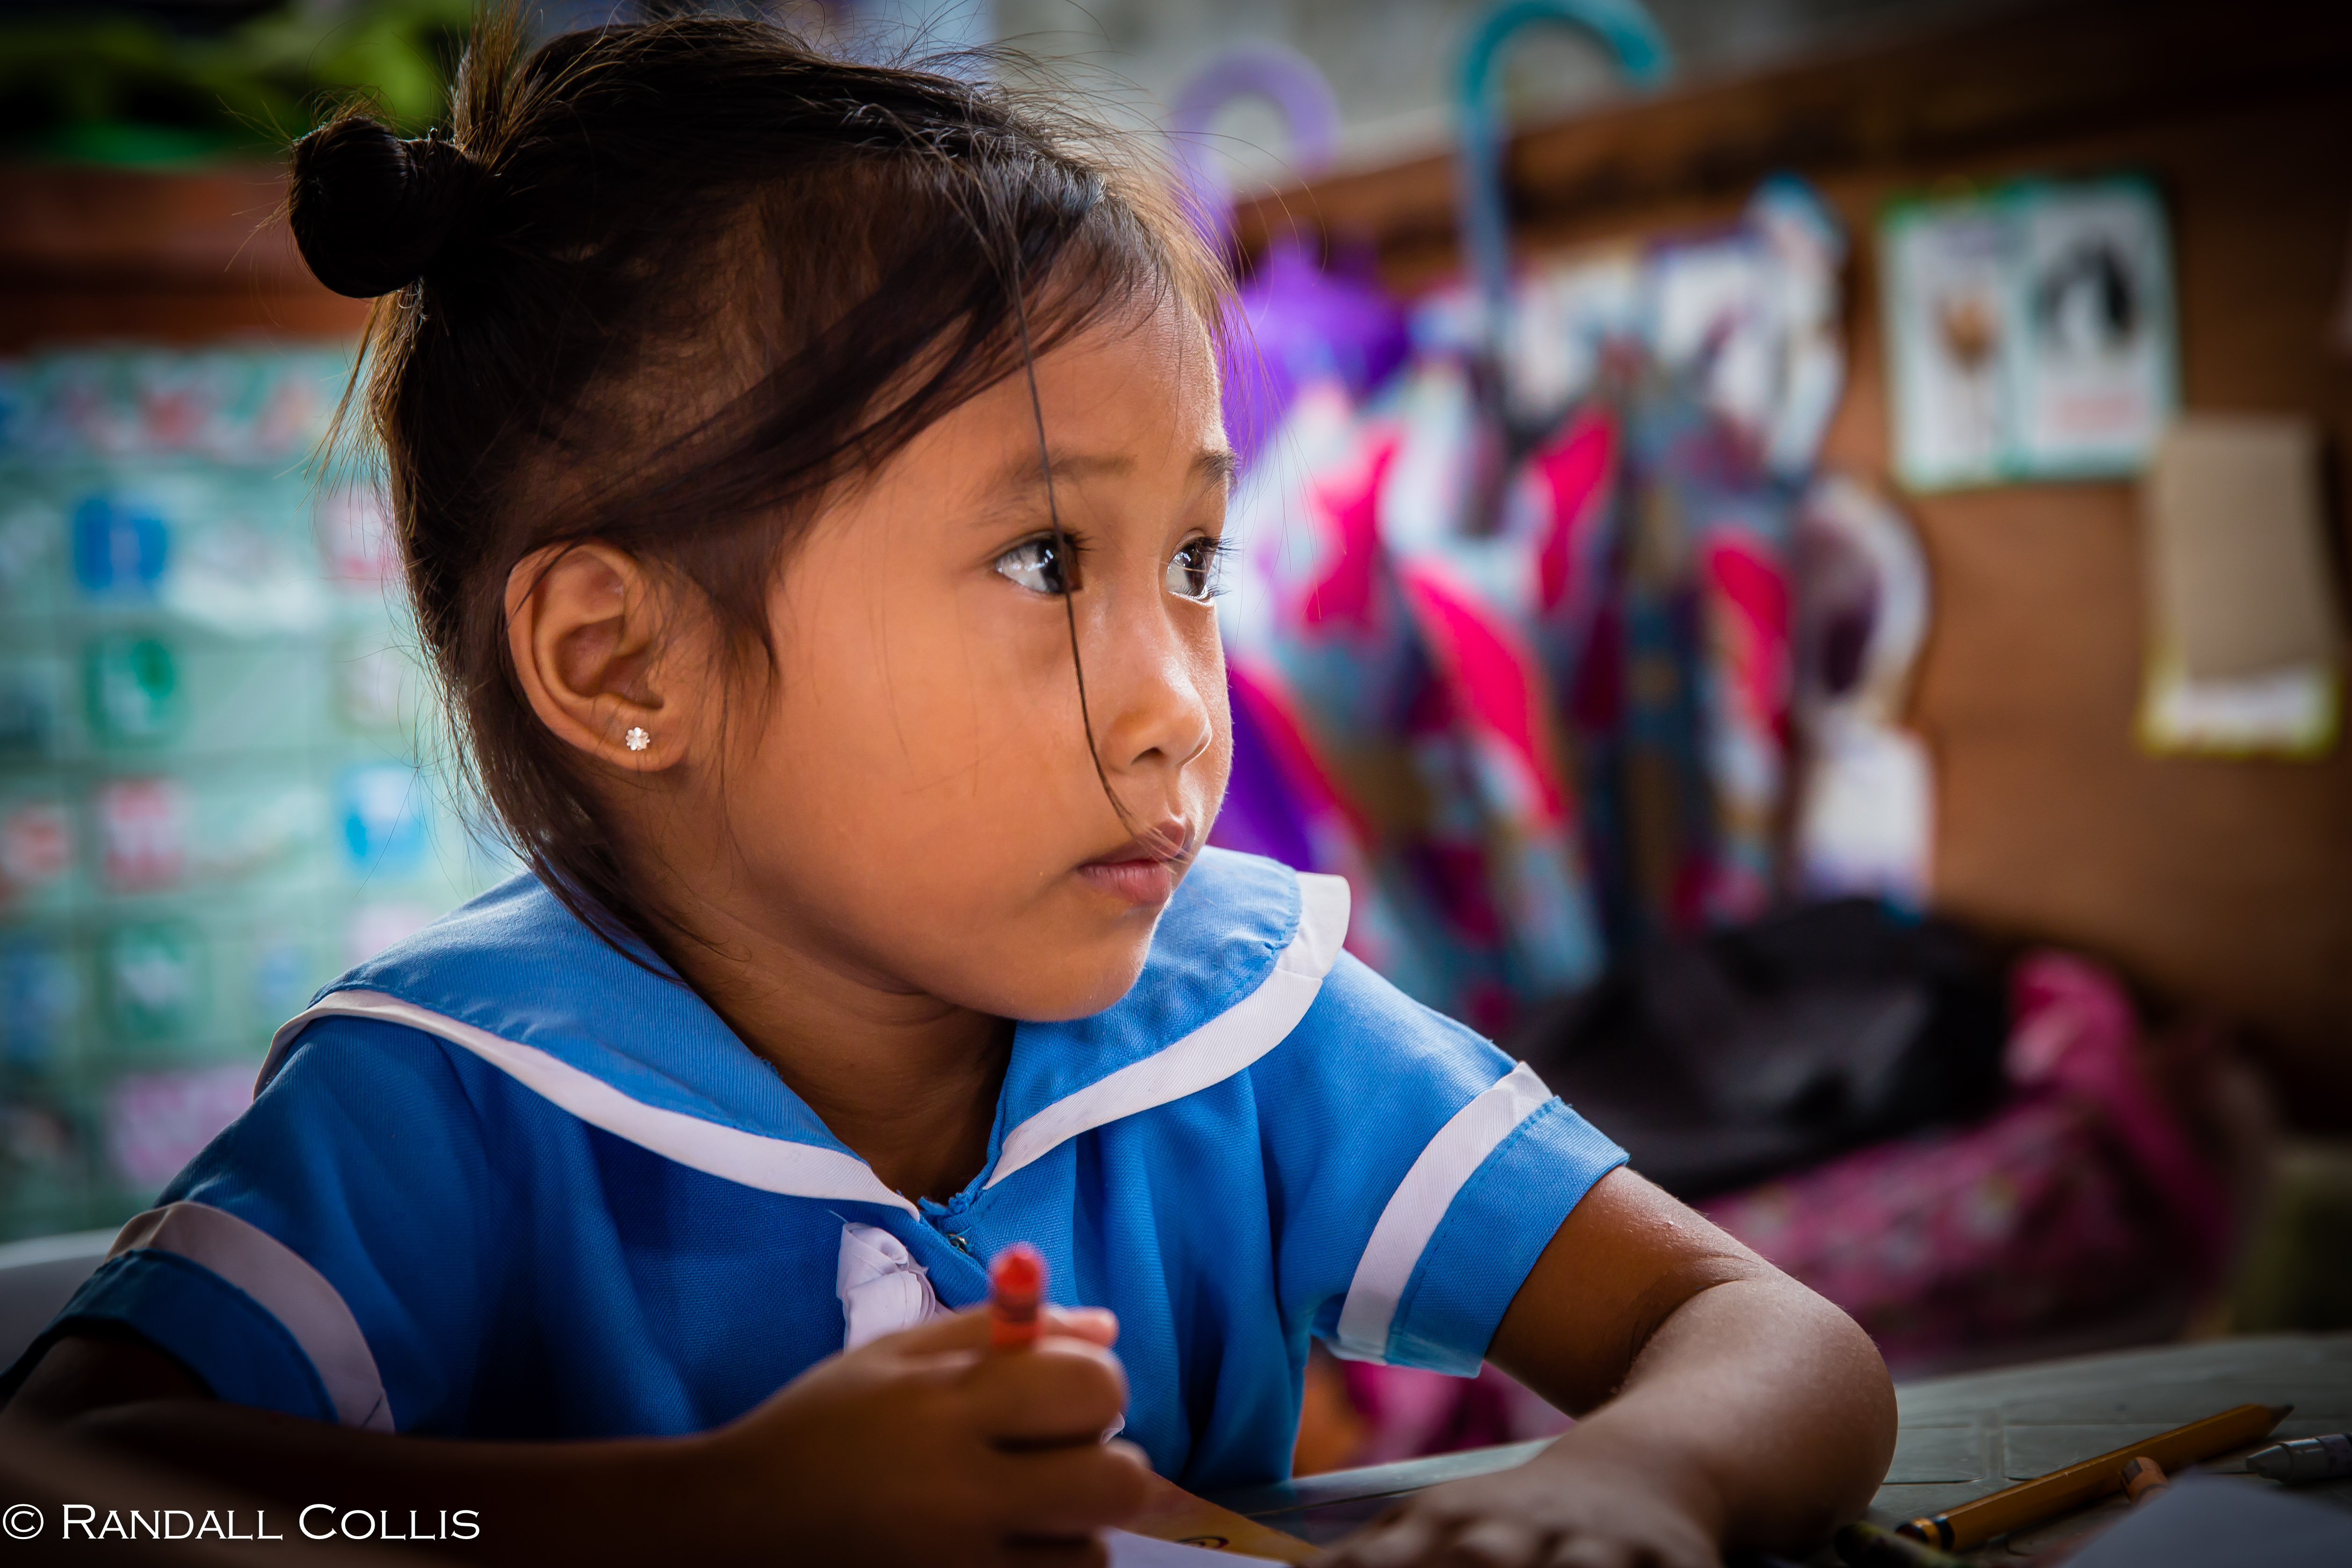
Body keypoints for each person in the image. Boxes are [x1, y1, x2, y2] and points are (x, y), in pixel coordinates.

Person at [0, 13, 1895, 1565]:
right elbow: (68, 1488)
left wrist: (1637, 1476)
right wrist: (711, 1515)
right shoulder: (452, 1096)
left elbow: (1771, 1333)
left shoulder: (1239, 1026)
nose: (1178, 709)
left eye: (1196, 563)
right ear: (622, 663)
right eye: (1045, 562)